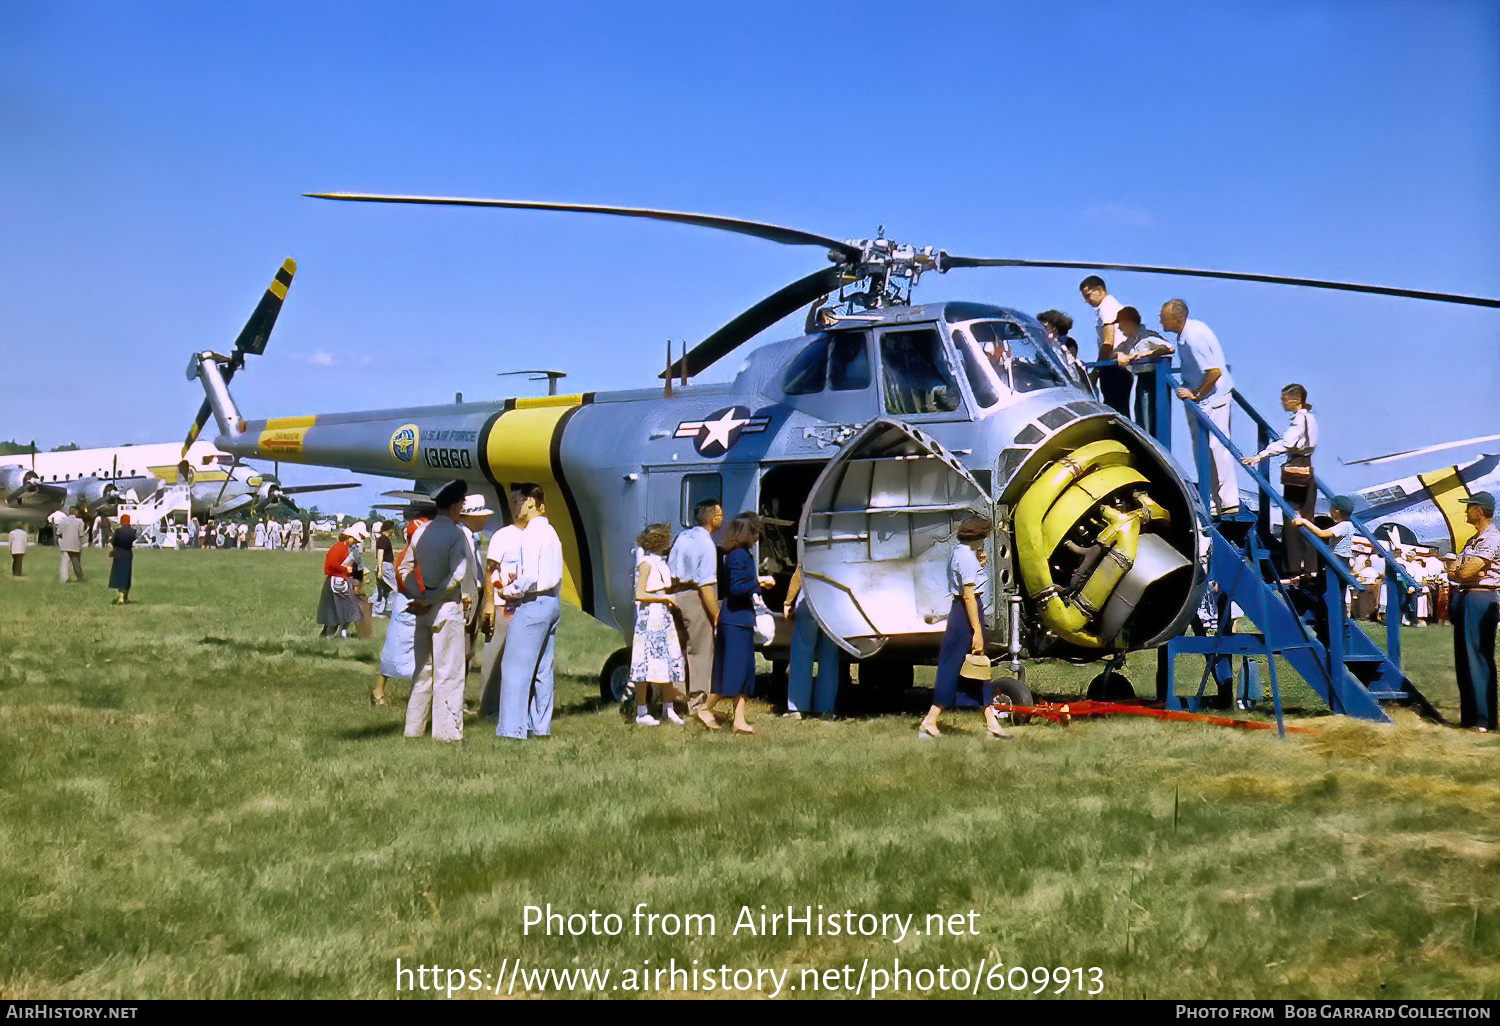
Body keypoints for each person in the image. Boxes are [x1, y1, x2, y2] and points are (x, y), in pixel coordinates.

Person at [919, 515, 1010, 741]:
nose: (984, 542)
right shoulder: (966, 558)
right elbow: (969, 596)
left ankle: (991, 722)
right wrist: (977, 631)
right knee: (956, 666)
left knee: (977, 668)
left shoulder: (962, 554)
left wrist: (979, 564)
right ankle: (930, 720)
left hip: (963, 612)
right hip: (966, 615)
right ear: (977, 536)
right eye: (984, 538)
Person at [403, 482, 472, 742]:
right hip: (445, 607)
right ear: (455, 507)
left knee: (422, 672)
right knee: (449, 674)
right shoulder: (456, 535)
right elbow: (456, 577)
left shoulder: (421, 532)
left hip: (424, 606)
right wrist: (431, 599)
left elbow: (405, 568)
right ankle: (448, 734)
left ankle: (413, 729)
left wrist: (418, 595)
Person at [496, 482, 564, 741]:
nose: (513, 507)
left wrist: (509, 591)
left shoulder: (530, 534)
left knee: (515, 668)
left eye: (516, 501)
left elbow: (530, 577)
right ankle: (540, 727)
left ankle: (511, 730)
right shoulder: (551, 533)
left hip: (534, 601)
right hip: (552, 603)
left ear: (530, 503)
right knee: (543, 670)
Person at [1163, 298, 1238, 516]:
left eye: (1163, 317)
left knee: (1216, 446)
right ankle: (1214, 499)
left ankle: (1226, 500)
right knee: (1203, 448)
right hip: (1205, 397)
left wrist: (1196, 394)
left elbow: (1214, 371)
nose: (1161, 320)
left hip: (1212, 398)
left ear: (1174, 318)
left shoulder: (1194, 336)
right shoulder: (1186, 334)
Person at [701, 512, 770, 734]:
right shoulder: (738, 556)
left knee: (746, 674)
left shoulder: (741, 554)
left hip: (741, 621)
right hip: (734, 621)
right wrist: (759, 582)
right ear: (748, 532)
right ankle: (704, 708)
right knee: (733, 673)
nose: (758, 536)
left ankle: (738, 720)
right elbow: (736, 587)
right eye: (756, 531)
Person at [1244, 384, 1320, 579]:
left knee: (1292, 518)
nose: (1282, 403)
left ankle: (1293, 565)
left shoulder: (1299, 421)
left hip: (1296, 465)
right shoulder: (1310, 418)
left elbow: (1288, 443)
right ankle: (1310, 565)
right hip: (1307, 466)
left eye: (1285, 399)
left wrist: (1261, 456)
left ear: (1294, 400)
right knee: (1306, 517)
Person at [1447, 492, 1497, 733]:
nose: (1466, 512)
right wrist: (1461, 573)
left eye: (1469, 508)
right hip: (1467, 595)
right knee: (1464, 658)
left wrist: (1462, 573)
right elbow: (1456, 570)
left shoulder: (1492, 538)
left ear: (1479, 511)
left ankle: (1483, 718)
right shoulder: (1471, 541)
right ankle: (1469, 716)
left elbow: (1466, 572)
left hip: (1480, 596)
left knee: (1477, 656)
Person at [628, 523, 686, 726]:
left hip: (663, 618)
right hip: (650, 619)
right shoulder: (646, 563)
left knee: (668, 662)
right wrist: (665, 598)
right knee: (645, 664)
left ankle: (668, 708)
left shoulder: (661, 563)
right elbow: (640, 593)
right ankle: (642, 710)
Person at [668, 498, 723, 710]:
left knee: (680, 647)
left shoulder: (682, 536)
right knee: (701, 648)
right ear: (712, 518)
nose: (722, 519)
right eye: (719, 515)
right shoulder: (707, 545)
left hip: (675, 595)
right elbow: (706, 585)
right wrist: (716, 615)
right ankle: (698, 700)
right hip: (694, 597)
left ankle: (676, 695)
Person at [373, 509, 425, 707]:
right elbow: (404, 578)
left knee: (424, 654)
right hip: (409, 604)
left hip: (422, 604)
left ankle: (418, 696)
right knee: (396, 648)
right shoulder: (407, 557)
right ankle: (379, 690)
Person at [477, 512, 524, 718]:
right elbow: (490, 569)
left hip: (526, 606)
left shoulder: (536, 535)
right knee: (494, 655)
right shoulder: (502, 536)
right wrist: (488, 603)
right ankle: (488, 707)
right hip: (502, 604)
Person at [782, 563, 840, 719]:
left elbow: (800, 569)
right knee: (830, 655)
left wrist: (788, 602)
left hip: (809, 598)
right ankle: (825, 709)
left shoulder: (809, 538)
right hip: (835, 600)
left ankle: (797, 707)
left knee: (802, 652)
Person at [1112, 306, 1175, 438]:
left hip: (1153, 379)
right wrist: (1119, 355)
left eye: (1121, 324)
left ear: (1129, 322)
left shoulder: (1147, 338)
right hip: (1141, 379)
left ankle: (1152, 442)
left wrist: (1148, 354)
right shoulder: (1129, 342)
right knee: (1140, 414)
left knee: (1149, 416)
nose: (1119, 328)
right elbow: (1113, 353)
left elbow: (1169, 348)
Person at [1079, 276, 1132, 417]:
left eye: (1089, 296)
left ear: (1098, 290)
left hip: (1113, 367)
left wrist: (1097, 370)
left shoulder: (1107, 307)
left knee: (1114, 410)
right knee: (1120, 409)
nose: (1087, 301)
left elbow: (1108, 342)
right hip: (1120, 366)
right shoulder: (1113, 306)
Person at [317, 523, 366, 638]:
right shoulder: (338, 548)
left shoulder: (345, 548)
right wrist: (345, 569)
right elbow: (330, 565)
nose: (355, 543)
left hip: (340, 581)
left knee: (343, 609)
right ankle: (333, 634)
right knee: (341, 609)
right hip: (336, 582)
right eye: (354, 540)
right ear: (348, 538)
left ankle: (337, 633)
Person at [1037, 309, 1090, 390]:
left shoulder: (1067, 343)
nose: (1041, 329)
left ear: (1054, 328)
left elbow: (1068, 365)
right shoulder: (1043, 345)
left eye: (1045, 326)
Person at [108, 514, 137, 603]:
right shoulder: (133, 531)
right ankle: (125, 596)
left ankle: (121, 596)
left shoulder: (118, 531)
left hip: (118, 554)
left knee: (119, 575)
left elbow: (113, 541)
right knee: (126, 575)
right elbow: (133, 539)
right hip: (128, 554)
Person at [371, 521, 397, 617]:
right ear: (389, 529)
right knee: (394, 588)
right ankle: (389, 609)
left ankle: (376, 609)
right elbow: (380, 555)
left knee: (382, 589)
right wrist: (380, 569)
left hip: (385, 566)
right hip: (385, 566)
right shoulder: (383, 540)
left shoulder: (384, 539)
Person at [57, 506, 86, 583]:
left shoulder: (63, 520)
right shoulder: (79, 521)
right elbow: (81, 534)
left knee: (65, 562)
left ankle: (64, 578)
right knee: (76, 562)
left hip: (65, 544)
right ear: (75, 512)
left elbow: (58, 533)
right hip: (75, 544)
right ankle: (79, 578)